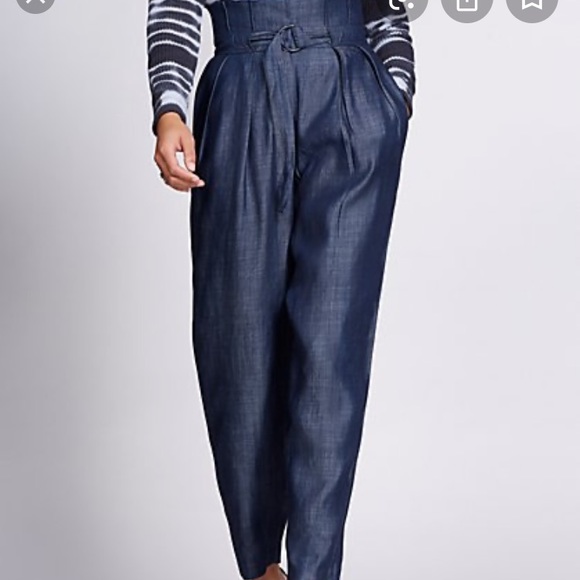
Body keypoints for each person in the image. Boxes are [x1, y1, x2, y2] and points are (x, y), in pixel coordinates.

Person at [146, 1, 416, 579]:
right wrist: (169, 107)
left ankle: (315, 571)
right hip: (242, 87)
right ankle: (263, 566)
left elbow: (386, 11)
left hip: (350, 96)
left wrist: (397, 98)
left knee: (331, 351)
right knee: (236, 348)